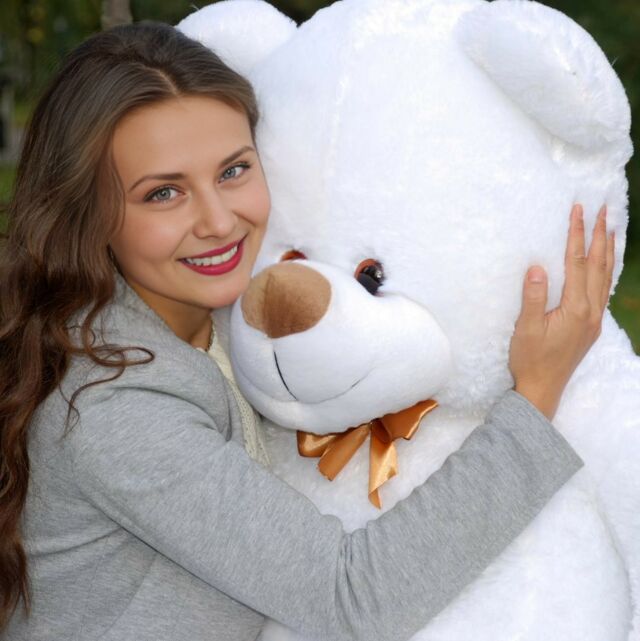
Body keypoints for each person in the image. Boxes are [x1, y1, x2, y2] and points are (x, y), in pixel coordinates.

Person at [0, 22, 613, 641]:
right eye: (163, 193)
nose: (218, 221)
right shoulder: (112, 404)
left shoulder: (214, 324)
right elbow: (353, 597)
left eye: (233, 171)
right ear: (87, 211)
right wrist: (536, 395)